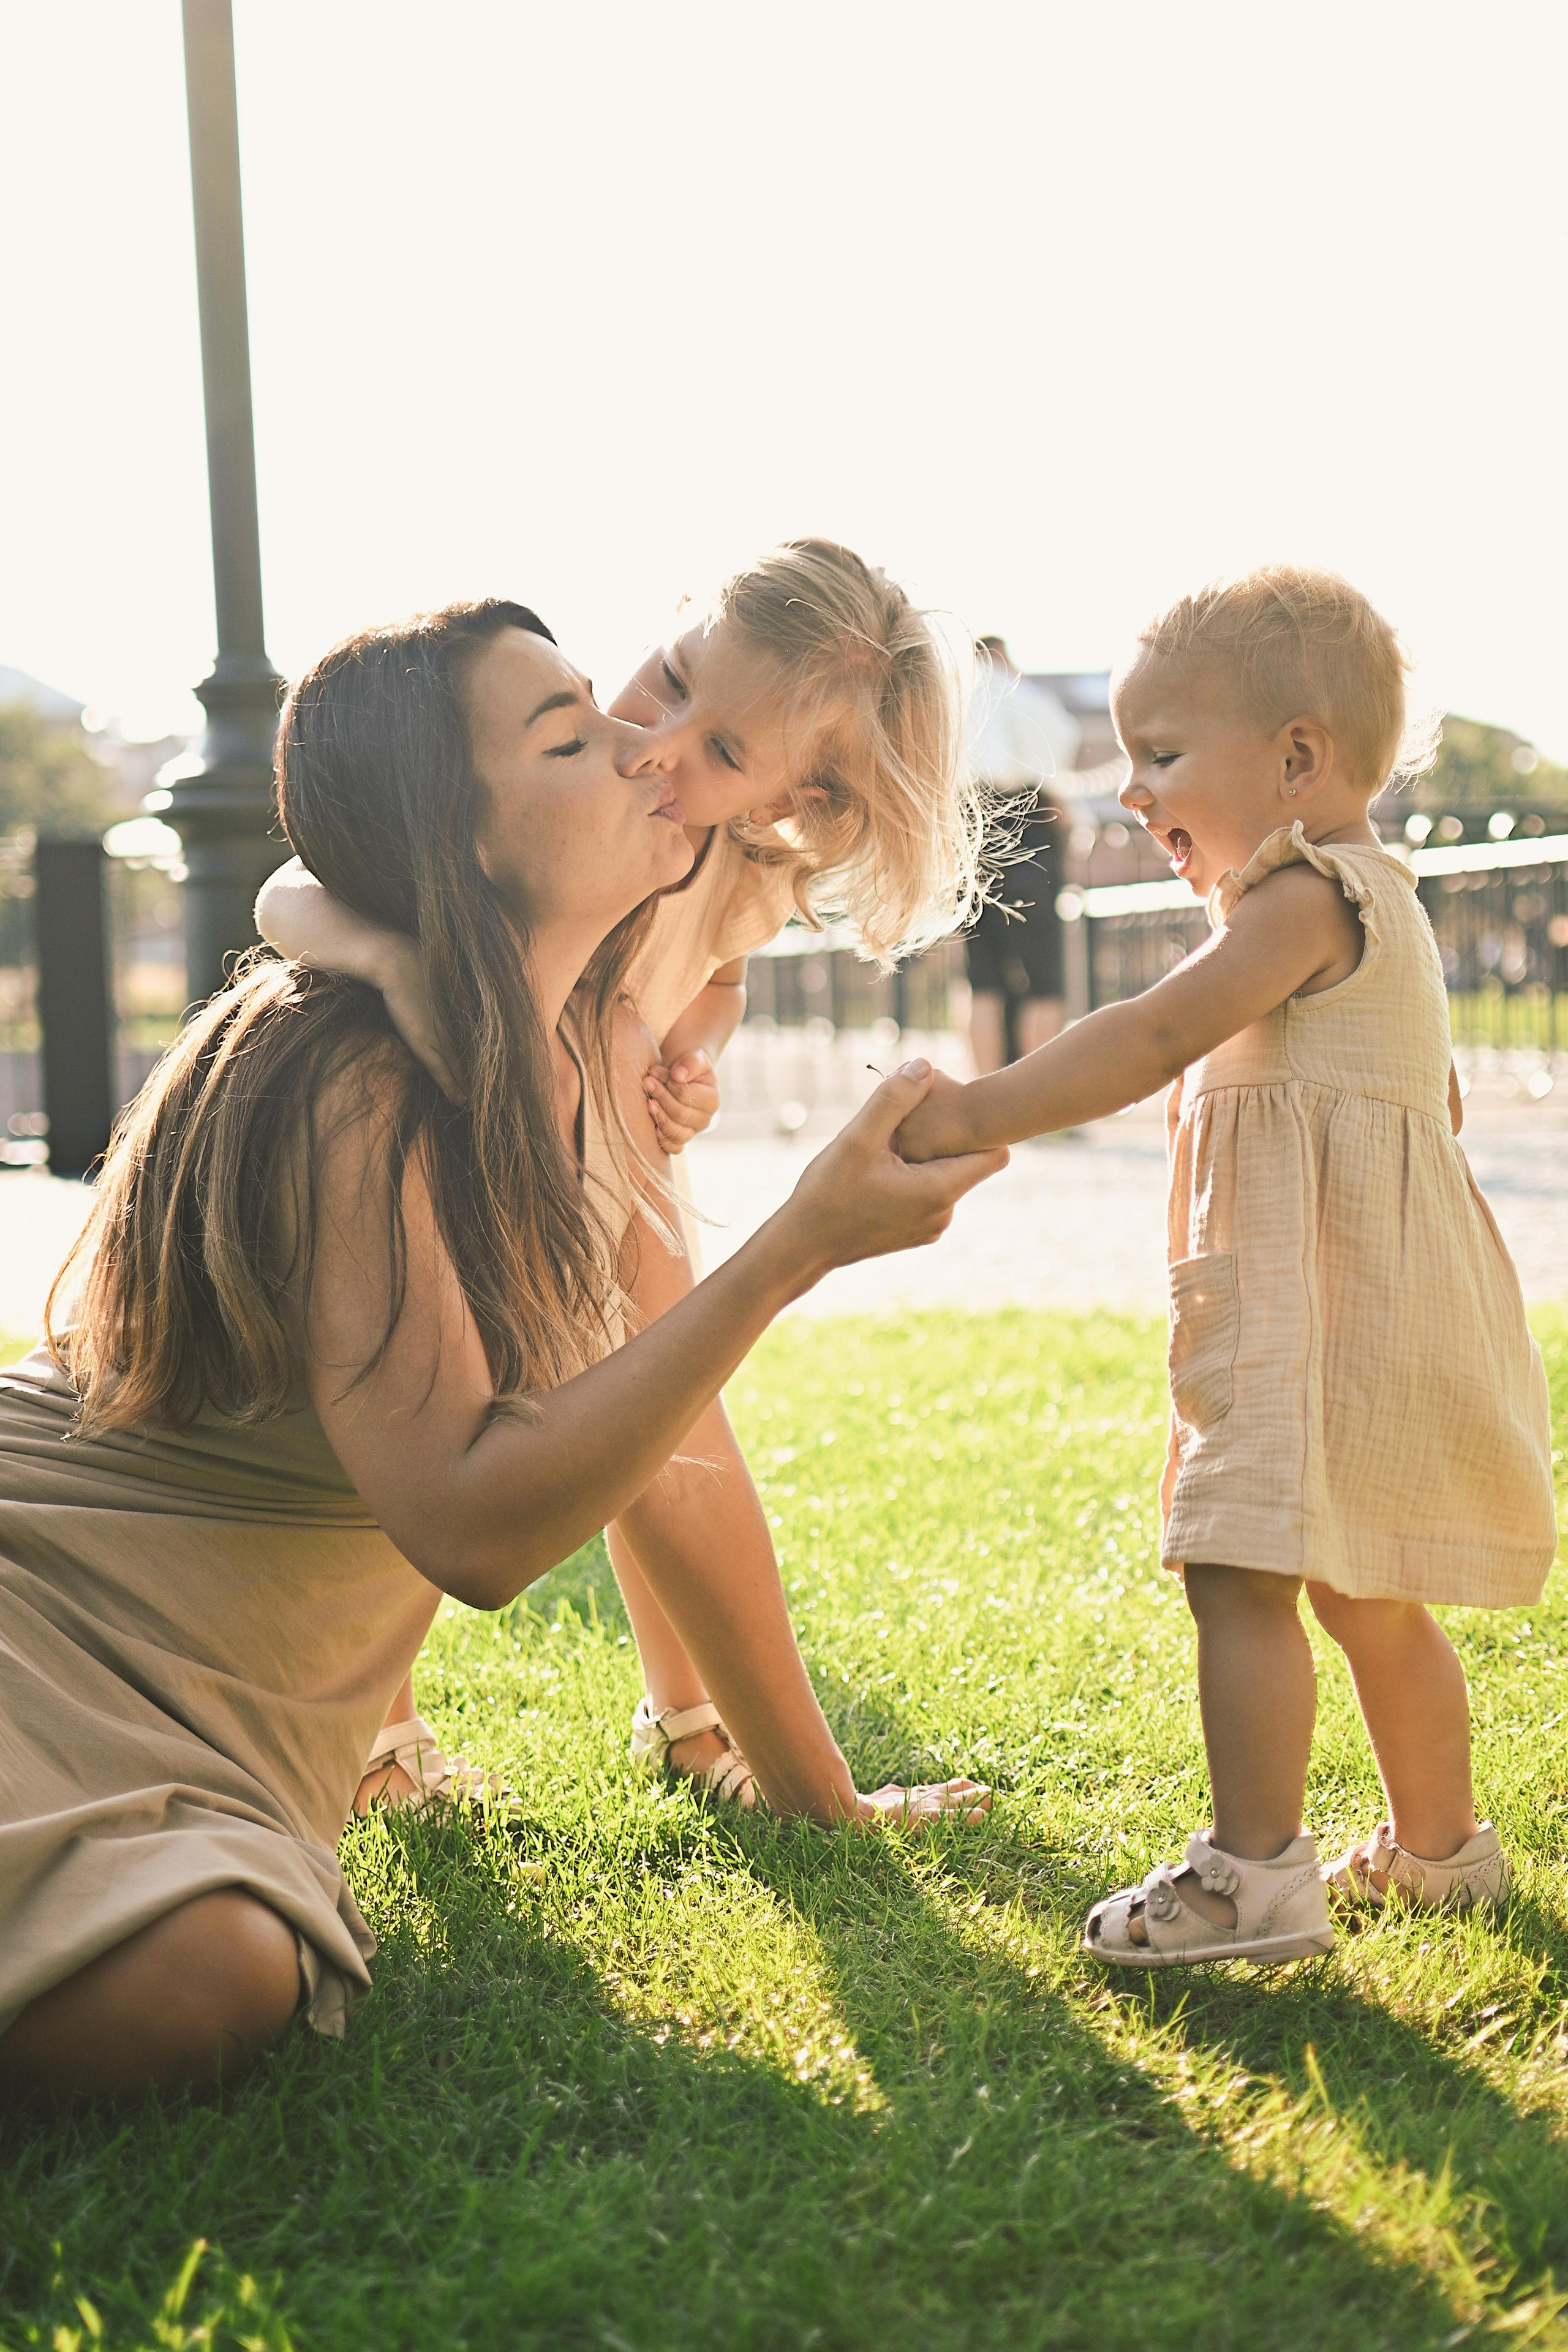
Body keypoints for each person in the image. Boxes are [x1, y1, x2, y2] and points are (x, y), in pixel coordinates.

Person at [0, 598, 1005, 2103]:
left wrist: (823, 1804)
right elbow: (474, 1525)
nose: (648, 750)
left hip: (226, 1702)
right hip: (60, 1594)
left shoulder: (602, 1065)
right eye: (581, 729)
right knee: (204, 1977)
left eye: (657, 723)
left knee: (221, 1974)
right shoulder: (347, 1063)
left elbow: (671, 1448)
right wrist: (794, 1242)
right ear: (453, 842)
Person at [257, 540, 987, 1815]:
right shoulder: (556, 801)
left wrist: (682, 1063)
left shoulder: (732, 864)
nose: (657, 743)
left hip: (608, 1133)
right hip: (489, 1116)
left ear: (792, 806)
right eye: (670, 678)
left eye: (720, 753)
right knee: (426, 1421)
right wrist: (398, 962)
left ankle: (700, 1725)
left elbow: (707, 981)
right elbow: (293, 885)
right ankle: (377, 1738)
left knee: (659, 1418)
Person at [895, 565, 1556, 1968]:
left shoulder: (1302, 899)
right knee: (1366, 1585)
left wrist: (964, 1109)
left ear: (1295, 760)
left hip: (1300, 1315)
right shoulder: (1377, 906)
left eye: (1161, 755)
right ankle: (1439, 1852)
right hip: (1364, 1312)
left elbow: (1144, 1036)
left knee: (1234, 1569)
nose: (1133, 792)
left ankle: (1250, 1877)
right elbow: (1421, 1108)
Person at [961, 636, 1081, 1072]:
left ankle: (985, 1090)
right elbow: (1063, 744)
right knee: (1043, 980)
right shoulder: (1024, 697)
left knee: (983, 980)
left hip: (968, 833)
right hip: (1028, 828)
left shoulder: (955, 707)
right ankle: (1039, 1095)